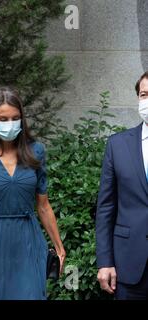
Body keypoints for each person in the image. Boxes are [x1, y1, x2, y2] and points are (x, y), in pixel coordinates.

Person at [0, 86, 66, 300]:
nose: (10, 124)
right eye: (3, 119)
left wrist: (59, 247)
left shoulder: (36, 151)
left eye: (15, 118)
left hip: (28, 241)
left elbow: (44, 205)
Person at [96, 71, 148, 300]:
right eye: (144, 94)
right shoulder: (117, 145)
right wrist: (105, 262)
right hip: (129, 266)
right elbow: (106, 208)